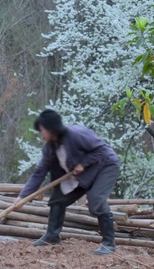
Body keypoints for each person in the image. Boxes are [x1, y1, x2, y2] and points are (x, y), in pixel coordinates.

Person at [13, 109, 120, 255]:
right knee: (58, 199)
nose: (40, 134)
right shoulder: (50, 148)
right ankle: (52, 236)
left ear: (50, 128)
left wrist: (84, 162)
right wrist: (22, 197)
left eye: (41, 130)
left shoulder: (77, 134)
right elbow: (39, 172)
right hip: (82, 174)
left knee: (96, 201)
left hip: (104, 166)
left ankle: (109, 243)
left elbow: (102, 150)